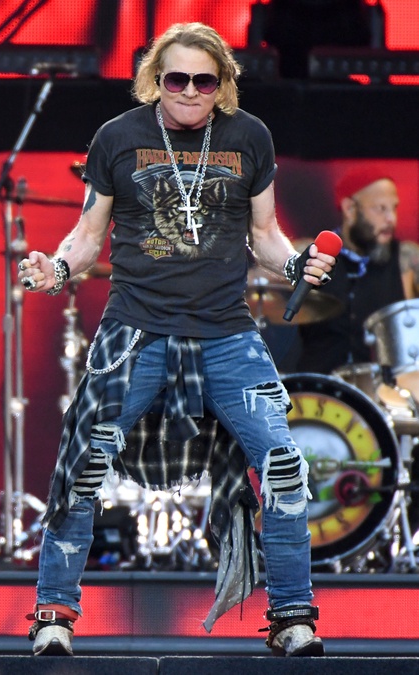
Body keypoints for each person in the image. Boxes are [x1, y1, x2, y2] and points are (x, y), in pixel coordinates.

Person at [18, 22, 335, 658]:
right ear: (155, 81)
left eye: (204, 80)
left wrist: (296, 263)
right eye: (177, 78)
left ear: (222, 85)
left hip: (225, 333)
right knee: (83, 464)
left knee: (281, 463)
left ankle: (292, 616)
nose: (190, 90)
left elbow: (265, 236)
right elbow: (88, 235)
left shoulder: (250, 137)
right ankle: (54, 614)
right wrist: (57, 269)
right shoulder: (118, 136)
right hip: (134, 332)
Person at [295, 168, 419, 375]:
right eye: (381, 209)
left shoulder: (407, 258)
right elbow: (260, 291)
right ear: (350, 209)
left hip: (386, 388)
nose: (391, 219)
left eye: (394, 208)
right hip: (319, 386)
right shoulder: (311, 254)